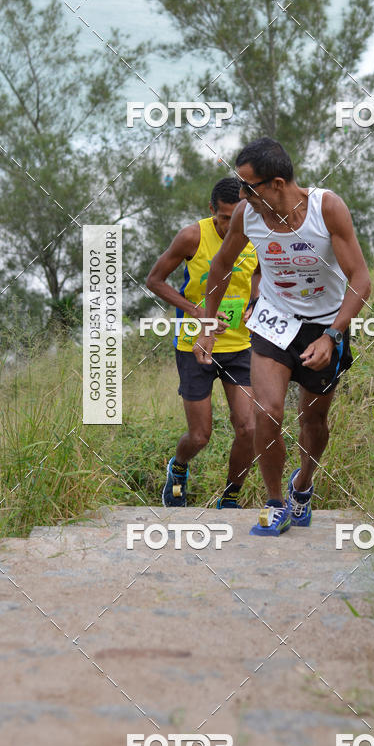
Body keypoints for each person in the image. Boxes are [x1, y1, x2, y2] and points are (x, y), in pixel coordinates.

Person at [195, 137, 371, 535]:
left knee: (314, 419)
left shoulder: (326, 209)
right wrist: (208, 325)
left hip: (323, 325)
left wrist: (331, 335)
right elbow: (221, 265)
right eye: (239, 186)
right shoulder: (247, 215)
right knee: (267, 412)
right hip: (274, 322)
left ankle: (303, 485)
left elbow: (361, 280)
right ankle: (275, 503)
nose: (241, 195)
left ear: (276, 183)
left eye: (248, 186)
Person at [146, 177, 260, 508]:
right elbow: (155, 280)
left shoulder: (254, 233)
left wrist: (254, 302)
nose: (231, 225)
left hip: (240, 345)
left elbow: (258, 274)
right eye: (224, 218)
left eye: (237, 216)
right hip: (194, 346)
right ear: (212, 211)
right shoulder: (192, 236)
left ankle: (230, 498)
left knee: (247, 429)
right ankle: (178, 468)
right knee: (199, 436)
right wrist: (195, 311)